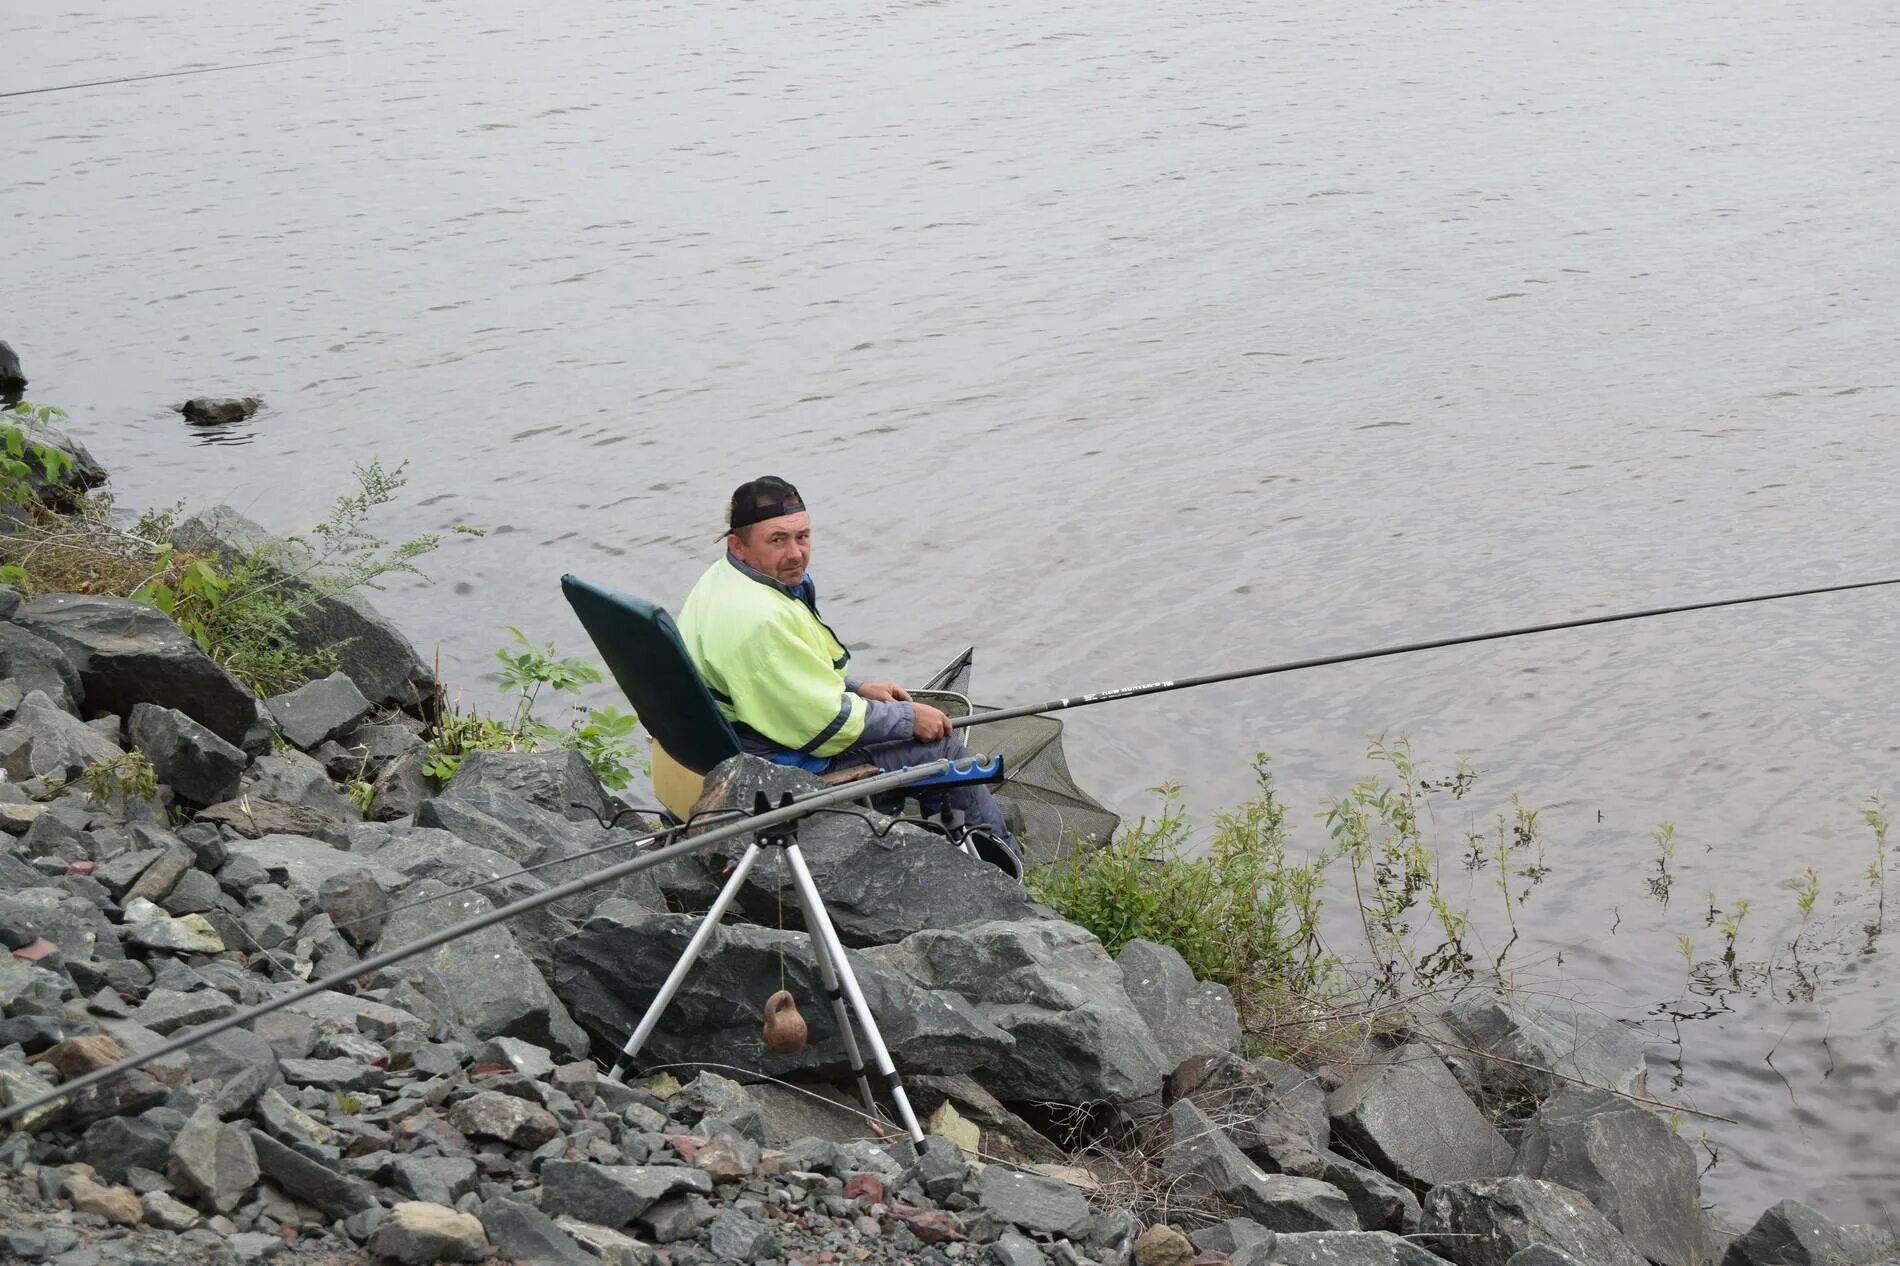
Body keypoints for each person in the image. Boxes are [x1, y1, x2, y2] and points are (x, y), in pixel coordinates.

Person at [677, 475, 1022, 877]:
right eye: (777, 540)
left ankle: (952, 858)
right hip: (782, 762)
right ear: (738, 544)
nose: (796, 554)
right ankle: (1001, 879)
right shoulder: (758, 620)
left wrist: (856, 687)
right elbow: (827, 724)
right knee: (940, 749)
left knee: (914, 730)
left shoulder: (725, 580)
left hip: (748, 733)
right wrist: (913, 719)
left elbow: (786, 679)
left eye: (802, 537)